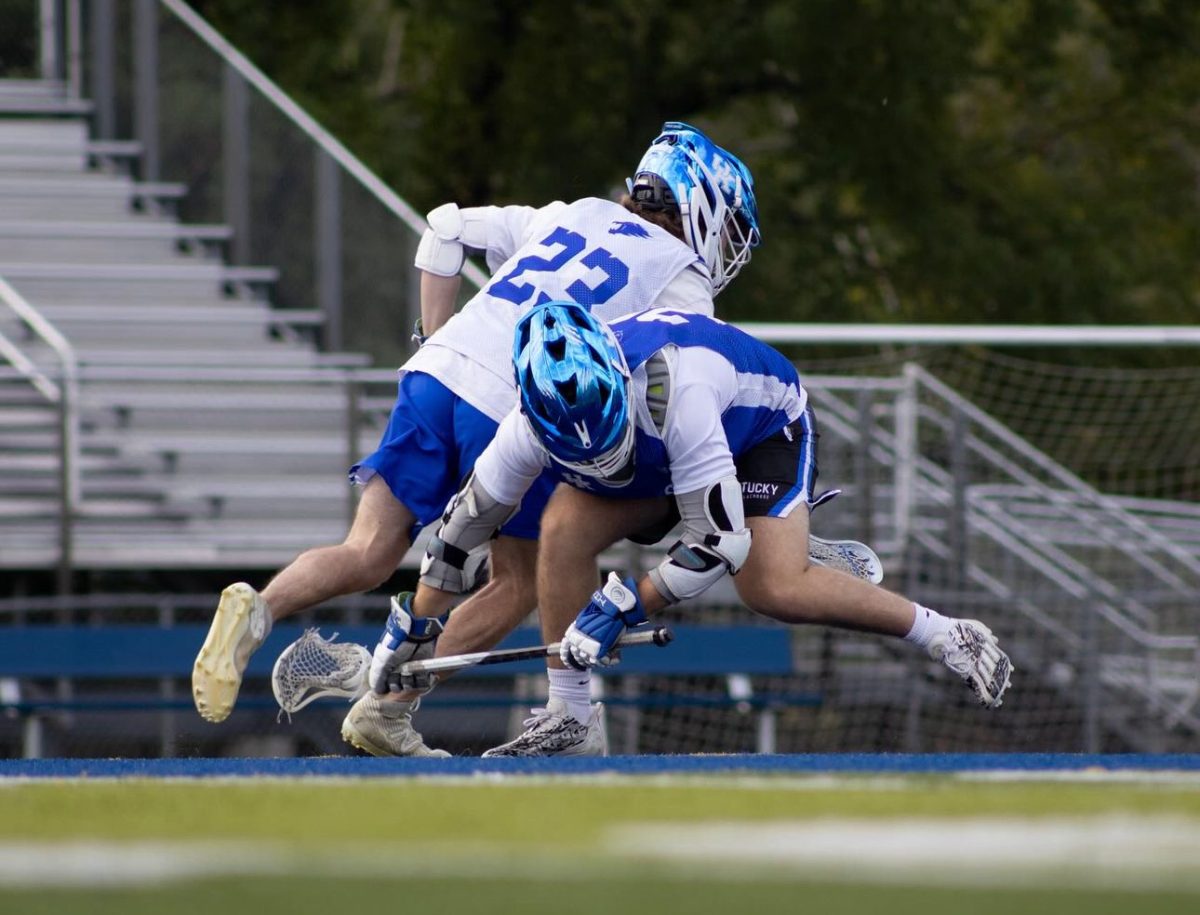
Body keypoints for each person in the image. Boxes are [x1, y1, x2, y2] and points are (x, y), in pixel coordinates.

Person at [191, 121, 763, 756]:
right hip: (513, 401)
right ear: (699, 204)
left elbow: (443, 229)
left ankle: (261, 608)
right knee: (516, 581)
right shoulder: (683, 277)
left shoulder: (569, 213)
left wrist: (432, 339)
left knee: (369, 549)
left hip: (436, 372)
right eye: (730, 227)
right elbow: (674, 392)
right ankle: (391, 708)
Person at [383, 301, 1013, 757]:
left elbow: (717, 544)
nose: (599, 456)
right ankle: (571, 716)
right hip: (668, 460)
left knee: (771, 587)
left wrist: (625, 605)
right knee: (562, 524)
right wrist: (413, 629)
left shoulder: (679, 390)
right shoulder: (526, 425)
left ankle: (943, 633)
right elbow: (461, 533)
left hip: (756, 431)